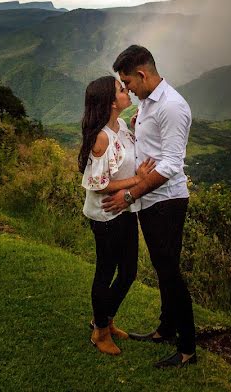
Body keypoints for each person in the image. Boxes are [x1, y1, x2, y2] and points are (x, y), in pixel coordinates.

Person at [102, 45, 197, 368]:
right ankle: (165, 329)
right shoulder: (148, 104)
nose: (127, 89)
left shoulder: (171, 107)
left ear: (142, 74)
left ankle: (187, 349)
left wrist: (130, 195)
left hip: (166, 202)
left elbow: (170, 164)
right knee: (162, 268)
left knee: (170, 271)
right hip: (151, 200)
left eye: (128, 83)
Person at [79, 75, 156, 356]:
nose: (127, 91)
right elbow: (97, 183)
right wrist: (136, 181)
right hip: (105, 215)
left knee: (129, 272)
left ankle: (105, 319)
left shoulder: (121, 125)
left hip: (125, 209)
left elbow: (126, 154)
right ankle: (99, 332)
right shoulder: (101, 136)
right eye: (122, 89)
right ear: (112, 103)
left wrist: (136, 126)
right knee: (106, 272)